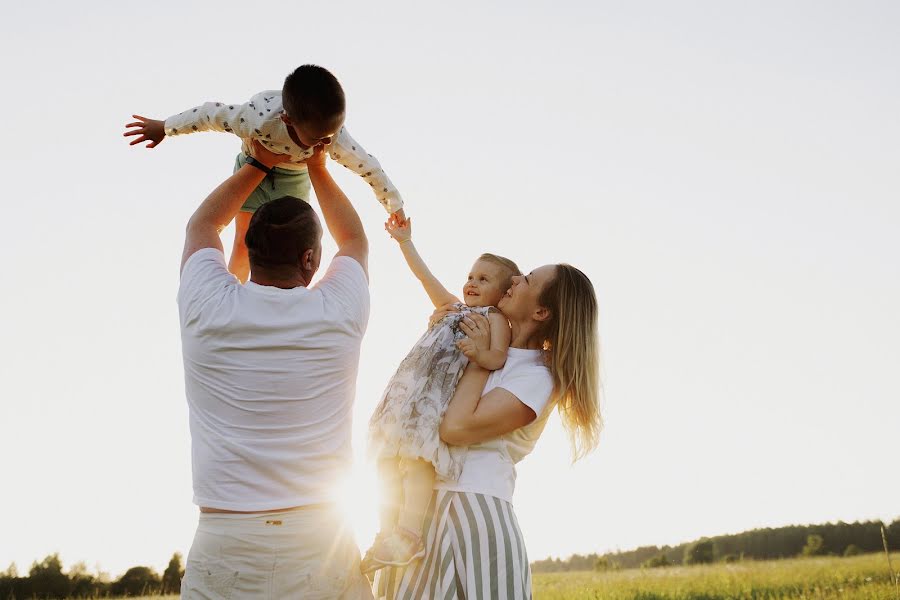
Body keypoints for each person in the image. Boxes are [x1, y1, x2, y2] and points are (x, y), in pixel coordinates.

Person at [177, 140, 373, 599]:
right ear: (311, 259)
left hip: (225, 534)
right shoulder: (338, 310)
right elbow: (355, 241)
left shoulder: (206, 305)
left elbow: (203, 224)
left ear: (248, 245)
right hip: (321, 536)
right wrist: (319, 166)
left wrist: (260, 160)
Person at [374, 263, 602, 600]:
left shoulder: (539, 377)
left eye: (528, 280)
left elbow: (456, 427)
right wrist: (441, 333)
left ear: (541, 311)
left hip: (474, 511)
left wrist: (481, 359)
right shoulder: (484, 336)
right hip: (420, 509)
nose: (514, 279)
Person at [125, 64, 403, 283]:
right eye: (317, 139)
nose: (325, 144)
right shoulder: (258, 119)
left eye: (330, 136)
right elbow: (210, 114)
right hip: (254, 165)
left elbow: (368, 167)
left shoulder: (332, 137)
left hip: (293, 177)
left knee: (293, 245)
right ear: (287, 120)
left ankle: (286, 302)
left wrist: (395, 204)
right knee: (245, 243)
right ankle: (234, 297)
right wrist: (165, 127)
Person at [363, 215, 521, 572]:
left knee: (418, 462)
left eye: (484, 279)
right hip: (405, 393)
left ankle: (408, 534)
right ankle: (386, 534)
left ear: (504, 292)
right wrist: (405, 241)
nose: (472, 283)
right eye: (470, 276)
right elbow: (424, 276)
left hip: (435, 399)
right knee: (386, 460)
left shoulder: (494, 319)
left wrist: (477, 353)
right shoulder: (453, 308)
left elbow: (496, 357)